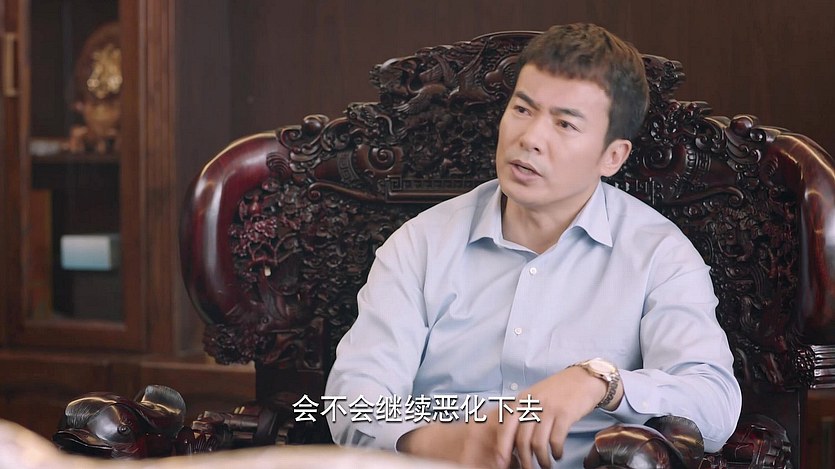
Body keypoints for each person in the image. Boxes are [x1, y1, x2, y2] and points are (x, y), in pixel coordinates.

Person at [325, 23, 742, 468]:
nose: (530, 139)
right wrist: (444, 444)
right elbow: (351, 400)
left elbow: (714, 404)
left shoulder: (659, 254)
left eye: (565, 124)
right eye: (522, 110)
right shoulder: (421, 243)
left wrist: (600, 382)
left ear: (612, 156)